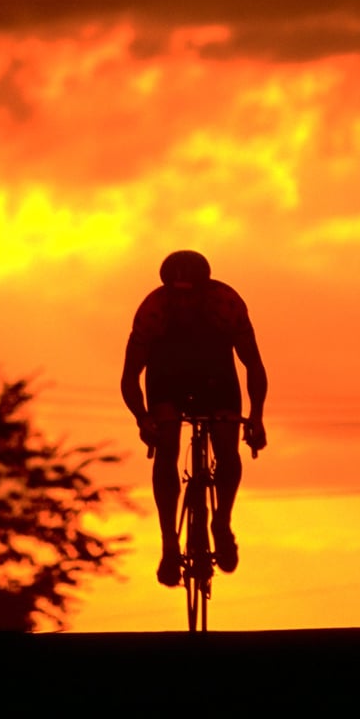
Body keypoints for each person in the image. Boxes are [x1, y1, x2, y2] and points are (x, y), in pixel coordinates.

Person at [121, 250, 268, 587]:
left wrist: (257, 416)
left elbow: (253, 365)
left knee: (228, 450)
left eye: (192, 296)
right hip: (167, 378)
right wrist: (143, 418)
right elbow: (131, 376)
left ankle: (222, 521)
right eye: (178, 296)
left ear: (206, 290)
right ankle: (169, 543)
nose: (184, 304)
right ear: (167, 291)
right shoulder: (152, 311)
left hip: (216, 376)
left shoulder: (227, 304)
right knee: (167, 444)